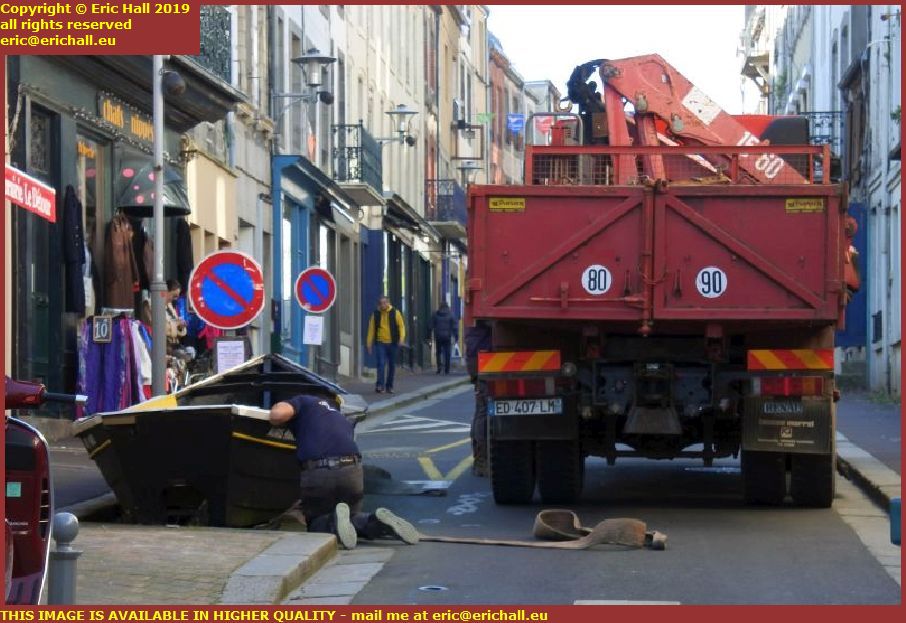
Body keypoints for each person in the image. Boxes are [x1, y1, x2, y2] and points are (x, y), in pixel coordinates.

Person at [269, 391, 419, 549]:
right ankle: (377, 523)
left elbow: (278, 414)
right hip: (352, 470)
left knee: (316, 523)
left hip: (320, 470)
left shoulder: (303, 401)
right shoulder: (338, 416)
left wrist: (276, 409)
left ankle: (332, 522)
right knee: (352, 518)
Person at [465, 320, 493, 477]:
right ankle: (481, 460)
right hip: (483, 359)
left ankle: (479, 459)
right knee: (483, 411)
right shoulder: (481, 320)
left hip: (478, 359)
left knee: (480, 409)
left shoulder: (473, 319)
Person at [366, 296, 406, 394]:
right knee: (381, 364)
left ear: (388, 303)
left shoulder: (395, 313)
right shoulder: (375, 314)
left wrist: (401, 339)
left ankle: (389, 386)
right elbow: (371, 330)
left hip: (393, 343)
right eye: (381, 303)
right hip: (380, 343)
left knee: (391, 365)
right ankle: (380, 385)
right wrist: (369, 344)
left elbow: (401, 327)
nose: (383, 305)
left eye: (384, 303)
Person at [429, 302, 459, 375]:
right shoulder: (451, 314)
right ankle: (447, 369)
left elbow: (430, 326)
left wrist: (429, 335)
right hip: (447, 336)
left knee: (438, 352)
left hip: (438, 336)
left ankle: (439, 368)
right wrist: (456, 336)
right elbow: (455, 327)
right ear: (447, 306)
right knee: (447, 353)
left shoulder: (435, 314)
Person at [165, 279, 187, 350]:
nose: (176, 299)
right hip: (163, 347)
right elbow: (161, 329)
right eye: (174, 296)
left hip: (173, 346)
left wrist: (180, 326)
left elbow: (181, 333)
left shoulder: (170, 306)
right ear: (166, 292)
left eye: (177, 296)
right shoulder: (152, 306)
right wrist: (176, 324)